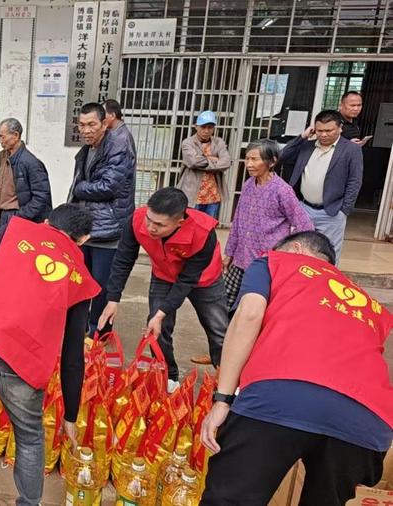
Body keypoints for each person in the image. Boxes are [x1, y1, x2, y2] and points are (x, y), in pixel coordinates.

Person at [201, 231, 392, 505]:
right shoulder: (369, 302)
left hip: (282, 395)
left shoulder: (275, 261)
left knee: (230, 499)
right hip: (369, 421)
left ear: (296, 249)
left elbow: (249, 315)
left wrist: (223, 399)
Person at [0, 204, 99, 506]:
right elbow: (73, 354)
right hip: (21, 363)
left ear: (47, 221)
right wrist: (71, 414)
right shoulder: (79, 275)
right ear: (83, 239)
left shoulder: (13, 230)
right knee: (29, 439)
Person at [99, 188, 227, 385]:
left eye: (159, 225)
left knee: (218, 330)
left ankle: (227, 382)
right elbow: (123, 259)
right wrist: (113, 298)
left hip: (203, 279)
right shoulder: (137, 219)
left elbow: (187, 280)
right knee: (156, 329)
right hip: (163, 273)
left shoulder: (203, 232)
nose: (151, 227)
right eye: (149, 220)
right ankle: (167, 378)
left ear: (179, 222)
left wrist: (162, 312)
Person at [67, 102, 136, 335]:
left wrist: (79, 188)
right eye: (82, 125)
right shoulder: (88, 149)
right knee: (81, 283)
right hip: (86, 229)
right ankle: (83, 331)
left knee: (101, 287)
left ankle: (100, 335)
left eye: (92, 124)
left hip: (109, 230)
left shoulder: (117, 147)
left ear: (104, 124)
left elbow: (109, 186)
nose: (86, 130)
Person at [223, 140, 313, 310]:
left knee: (255, 309)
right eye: (247, 159)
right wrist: (229, 253)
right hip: (241, 259)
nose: (249, 164)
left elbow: (304, 225)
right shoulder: (248, 185)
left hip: (266, 264)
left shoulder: (282, 190)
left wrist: (289, 256)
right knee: (226, 306)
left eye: (254, 159)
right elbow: (238, 220)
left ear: (271, 162)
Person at [280, 109, 363, 264]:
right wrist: (303, 137)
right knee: (298, 250)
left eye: (329, 131)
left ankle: (324, 279)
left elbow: (355, 181)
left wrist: (344, 210)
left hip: (332, 212)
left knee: (328, 255)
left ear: (340, 128)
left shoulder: (351, 149)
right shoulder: (307, 146)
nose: (324, 135)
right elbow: (282, 156)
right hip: (304, 209)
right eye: (320, 131)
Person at [0, 118, 52, 231]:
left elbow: (41, 197)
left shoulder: (31, 163)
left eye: (2, 137)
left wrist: (20, 216)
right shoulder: (5, 157)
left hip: (19, 217)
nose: (0, 141)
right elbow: (2, 192)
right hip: (4, 216)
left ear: (16, 135)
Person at [178, 110, 232, 220]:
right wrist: (214, 160)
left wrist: (203, 161)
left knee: (209, 227)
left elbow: (226, 162)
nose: (206, 131)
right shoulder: (188, 142)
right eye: (203, 127)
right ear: (196, 127)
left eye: (210, 127)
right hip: (192, 195)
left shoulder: (219, 142)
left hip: (213, 195)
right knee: (190, 225)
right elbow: (193, 161)